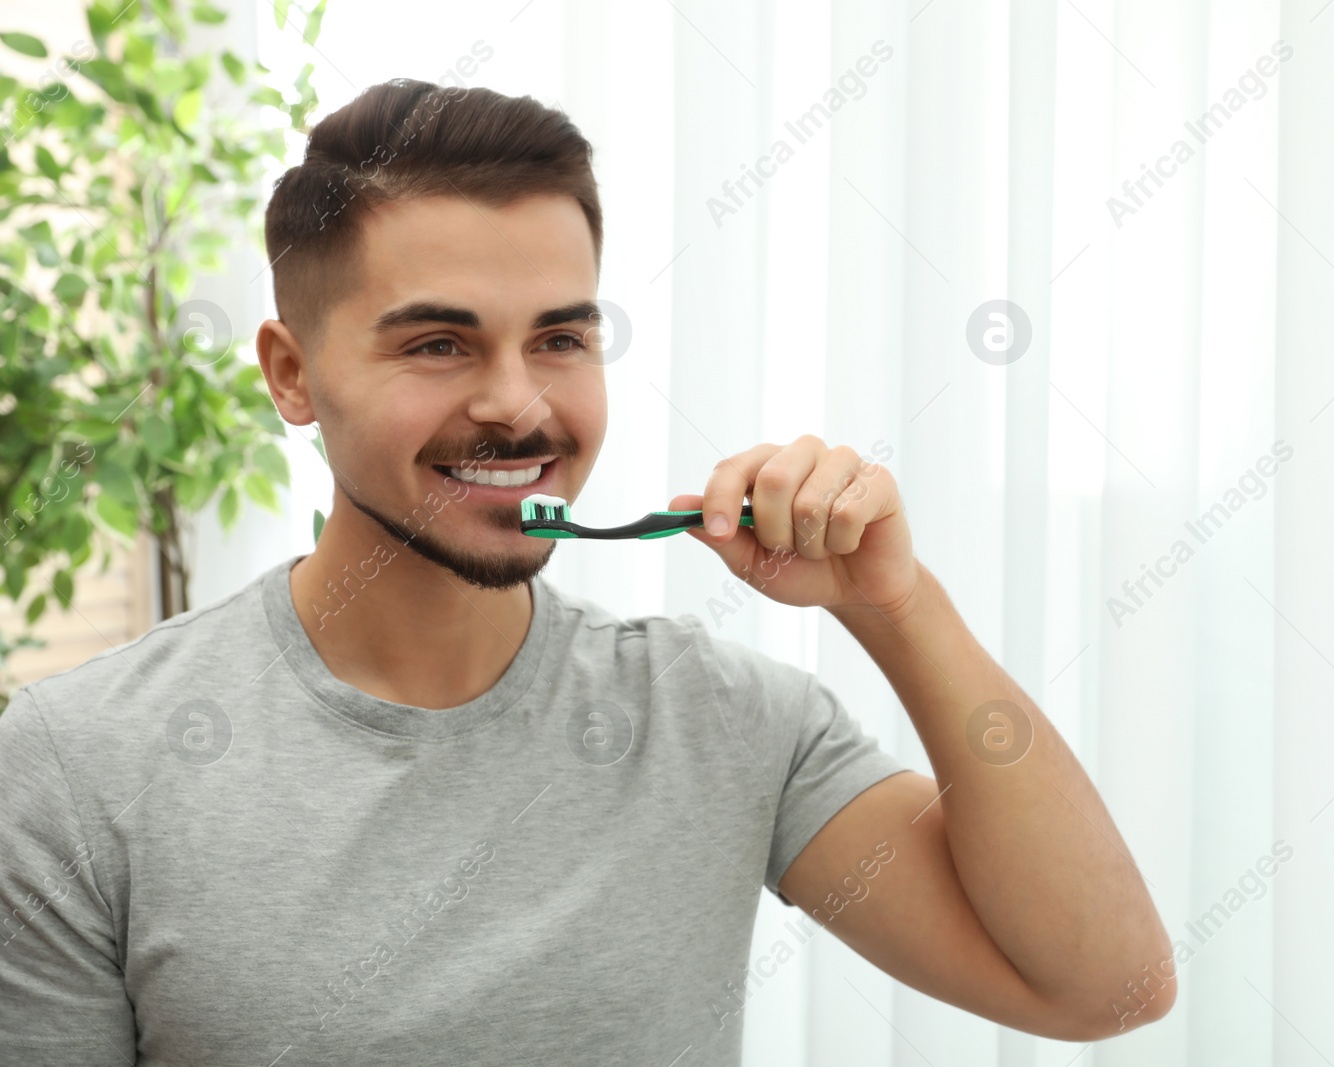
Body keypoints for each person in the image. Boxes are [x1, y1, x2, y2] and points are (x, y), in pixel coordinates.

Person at [0, 80, 1173, 1065]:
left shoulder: (725, 723)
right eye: (438, 342)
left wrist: (898, 607)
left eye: (560, 337)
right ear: (292, 374)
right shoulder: (78, 765)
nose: (517, 403)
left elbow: (1102, 988)